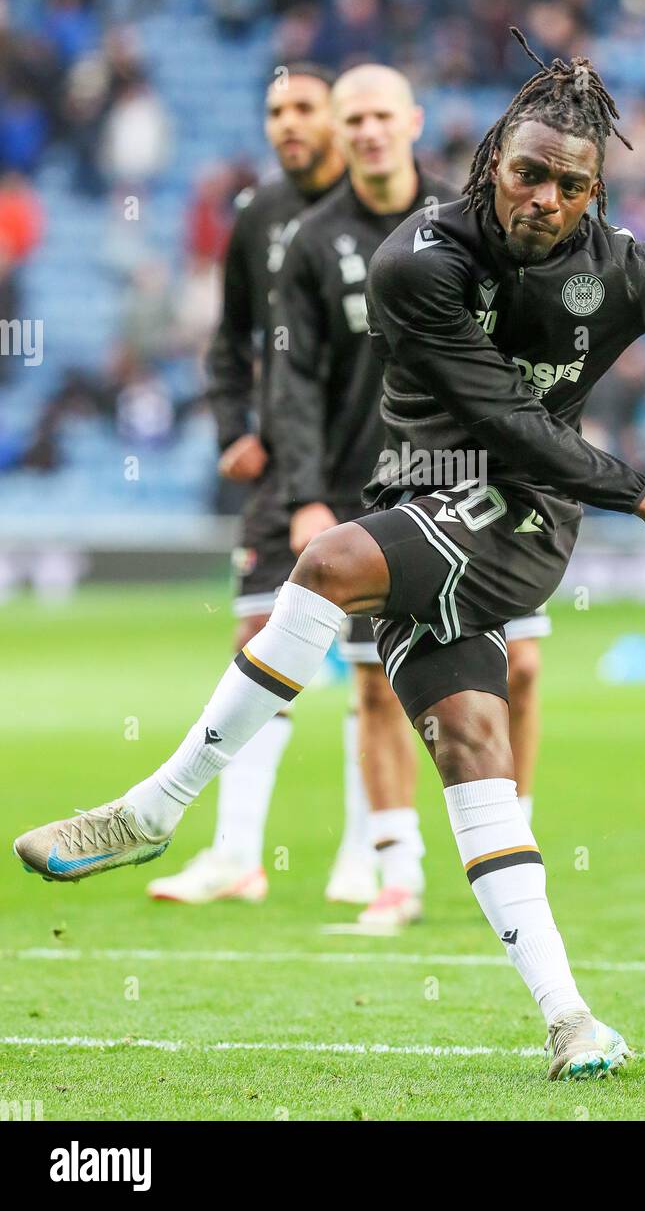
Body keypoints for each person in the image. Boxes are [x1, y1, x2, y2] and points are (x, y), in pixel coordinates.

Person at [16, 29, 645, 1082]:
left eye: (569, 184)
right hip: (427, 501)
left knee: (327, 565)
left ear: (595, 194)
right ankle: (571, 1018)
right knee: (471, 749)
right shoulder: (415, 260)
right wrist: (642, 492)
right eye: (527, 174)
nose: (544, 198)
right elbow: (500, 412)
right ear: (488, 166)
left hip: (519, 522)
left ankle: (154, 809)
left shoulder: (624, 271)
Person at [267, 62, 549, 929]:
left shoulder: (467, 225)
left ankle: (509, 836)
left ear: (414, 121)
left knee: (524, 668)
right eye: (352, 120)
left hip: (481, 480)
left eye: (382, 115)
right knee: (373, 686)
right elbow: (293, 375)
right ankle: (396, 867)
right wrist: (306, 494)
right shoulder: (311, 242)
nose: (368, 131)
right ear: (339, 132)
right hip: (368, 491)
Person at [146, 64, 348, 904]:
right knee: (257, 639)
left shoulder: (395, 209)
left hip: (380, 458)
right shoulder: (258, 214)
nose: (288, 122)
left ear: (340, 118)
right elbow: (229, 340)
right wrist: (233, 428)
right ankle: (236, 855)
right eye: (275, 110)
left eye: (304, 107)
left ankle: (375, 855)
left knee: (378, 662)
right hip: (285, 459)